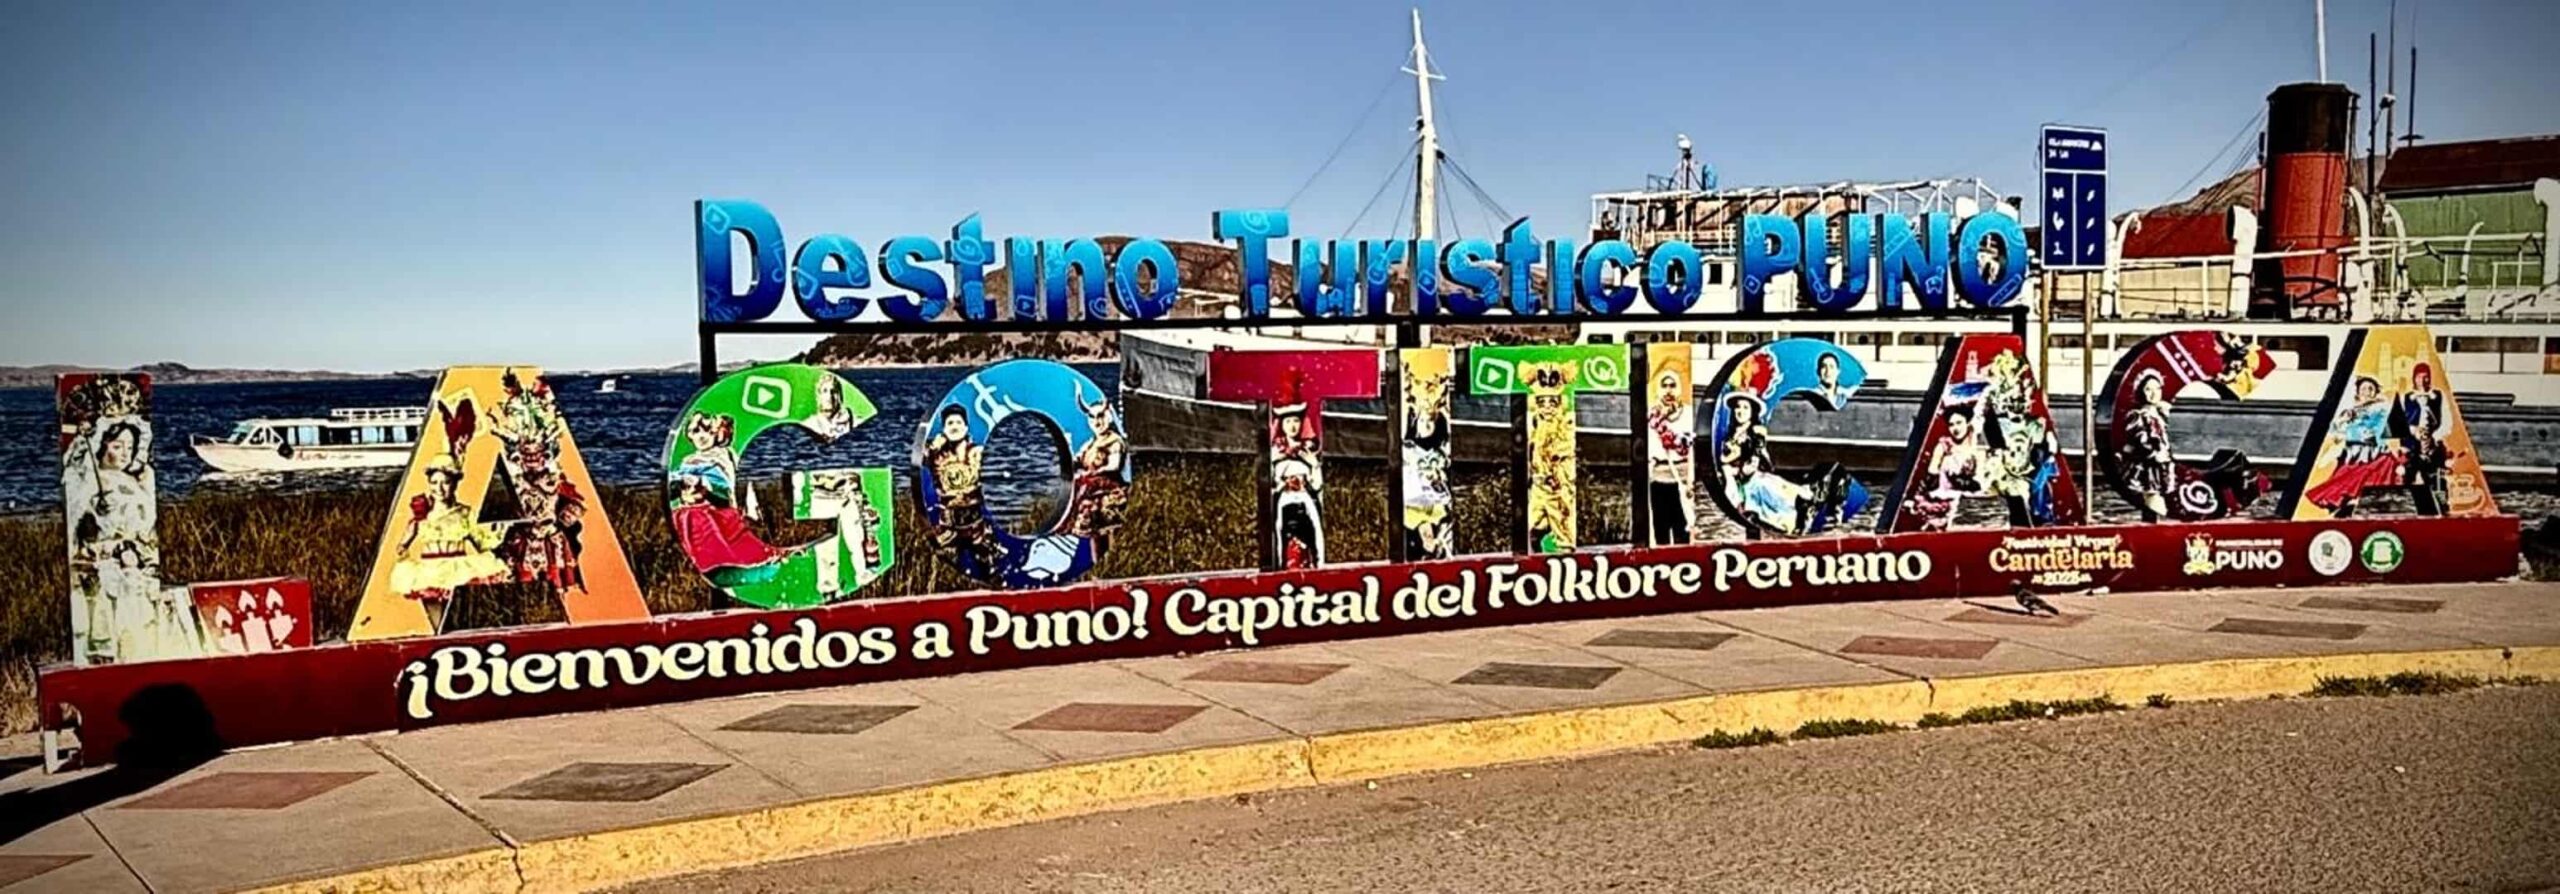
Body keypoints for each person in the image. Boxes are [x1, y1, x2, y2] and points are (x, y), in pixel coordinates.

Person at [390, 455, 510, 627]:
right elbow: (403, 544)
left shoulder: (465, 513)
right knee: (436, 618)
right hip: (429, 570)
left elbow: (481, 542)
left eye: (445, 482)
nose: (439, 488)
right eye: (434, 483)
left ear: (455, 484)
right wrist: (402, 547)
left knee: (457, 616)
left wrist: (499, 535)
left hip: (458, 568)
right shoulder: (422, 515)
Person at [2304, 376, 2402, 516]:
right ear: (2358, 392)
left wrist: (2360, 432)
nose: (2367, 392)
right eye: (2363, 389)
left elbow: (2382, 432)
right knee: (2343, 483)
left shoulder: (2381, 409)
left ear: (2375, 392)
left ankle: (2359, 503)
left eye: (2371, 389)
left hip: (2373, 455)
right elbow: (2335, 431)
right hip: (2352, 455)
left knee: (2369, 478)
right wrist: (2342, 422)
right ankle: (2345, 506)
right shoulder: (2350, 411)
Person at [1645, 370, 1695, 545]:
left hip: (1682, 480)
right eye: (1664, 386)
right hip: (1658, 479)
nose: (1668, 390)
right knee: (1661, 531)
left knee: (1683, 530)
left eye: (1672, 386)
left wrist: (1690, 480)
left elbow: (1691, 448)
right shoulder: (1652, 416)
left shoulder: (1688, 414)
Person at [2119, 370, 2176, 522]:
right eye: (2148, 389)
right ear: (2141, 392)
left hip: (2162, 467)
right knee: (2153, 502)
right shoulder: (2138, 416)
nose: (2154, 393)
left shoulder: (2161, 414)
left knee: (2160, 503)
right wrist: (2154, 454)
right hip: (2147, 468)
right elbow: (2140, 441)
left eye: (2157, 388)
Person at [2394, 363, 2451, 513]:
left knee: (2436, 477)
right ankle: (2409, 509)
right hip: (2411, 444)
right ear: (2414, 378)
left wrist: (2434, 437)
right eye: (2419, 377)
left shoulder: (2438, 396)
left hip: (2432, 444)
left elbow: (2447, 421)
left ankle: (2439, 508)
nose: (2422, 380)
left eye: (2426, 377)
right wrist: (2414, 431)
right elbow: (2398, 423)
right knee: (2408, 476)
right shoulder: (2405, 397)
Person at [810, 374, 856, 441]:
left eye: (833, 391)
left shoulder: (853, 421)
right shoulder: (811, 424)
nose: (829, 396)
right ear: (819, 396)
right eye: (825, 391)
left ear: (840, 396)